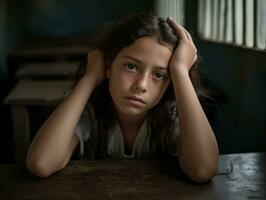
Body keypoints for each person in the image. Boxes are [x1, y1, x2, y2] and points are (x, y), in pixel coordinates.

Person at [26, 13, 219, 183]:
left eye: (159, 75)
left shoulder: (172, 112)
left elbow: (203, 170)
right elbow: (41, 164)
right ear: (109, 65)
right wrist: (90, 77)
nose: (141, 85)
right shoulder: (89, 106)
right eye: (131, 66)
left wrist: (180, 71)